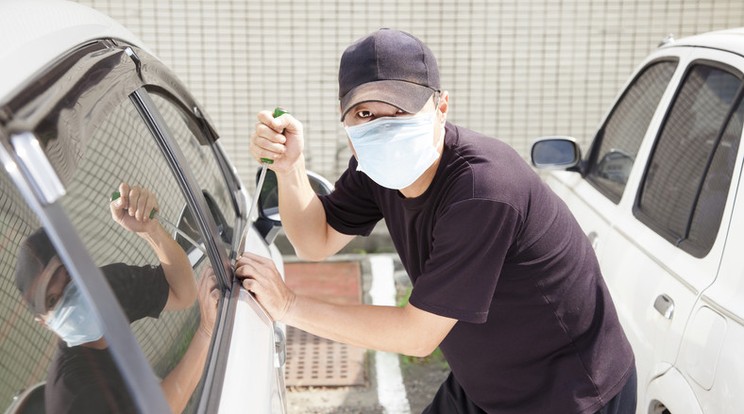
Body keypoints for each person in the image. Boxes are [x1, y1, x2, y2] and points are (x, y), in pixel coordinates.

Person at [238, 28, 636, 413]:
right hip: (485, 382)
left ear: (441, 107)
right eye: (365, 112)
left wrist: (288, 304)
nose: (384, 126)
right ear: (346, 121)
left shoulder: (484, 191)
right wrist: (289, 169)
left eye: (400, 108)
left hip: (567, 394)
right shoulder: (373, 169)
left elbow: (417, 335)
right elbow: (316, 240)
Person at [15, 183, 218, 414]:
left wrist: (150, 230)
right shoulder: (72, 396)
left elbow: (182, 294)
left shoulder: (108, 290)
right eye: (52, 300)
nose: (69, 295)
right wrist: (206, 333)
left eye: (69, 274)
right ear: (44, 323)